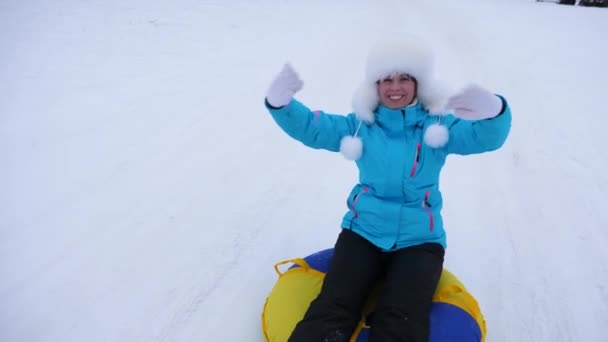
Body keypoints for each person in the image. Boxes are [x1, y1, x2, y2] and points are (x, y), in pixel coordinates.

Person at [263, 35, 512, 342]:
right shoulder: (359, 127)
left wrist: (495, 111)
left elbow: (486, 138)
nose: (395, 87)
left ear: (418, 83)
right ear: (375, 86)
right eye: (387, 79)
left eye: (405, 78)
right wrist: (281, 105)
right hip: (362, 233)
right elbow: (314, 127)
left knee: (401, 316)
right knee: (332, 307)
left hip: (420, 241)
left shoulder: (437, 127)